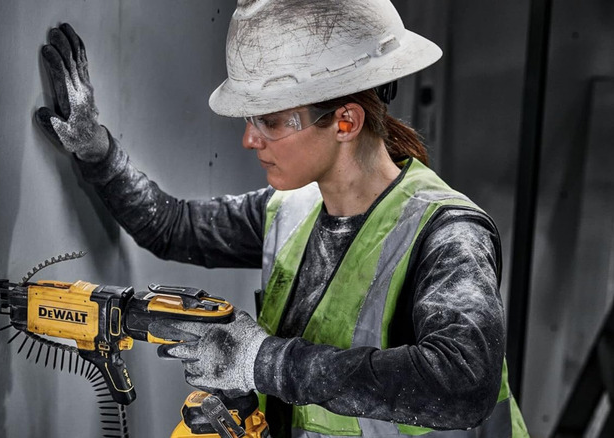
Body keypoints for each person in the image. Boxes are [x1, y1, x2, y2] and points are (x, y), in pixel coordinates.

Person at [34, 1, 529, 437]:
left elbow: (462, 382)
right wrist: (96, 150)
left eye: (270, 122)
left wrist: (262, 361)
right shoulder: (291, 210)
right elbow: (172, 227)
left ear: (345, 121)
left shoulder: (446, 236)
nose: (251, 140)